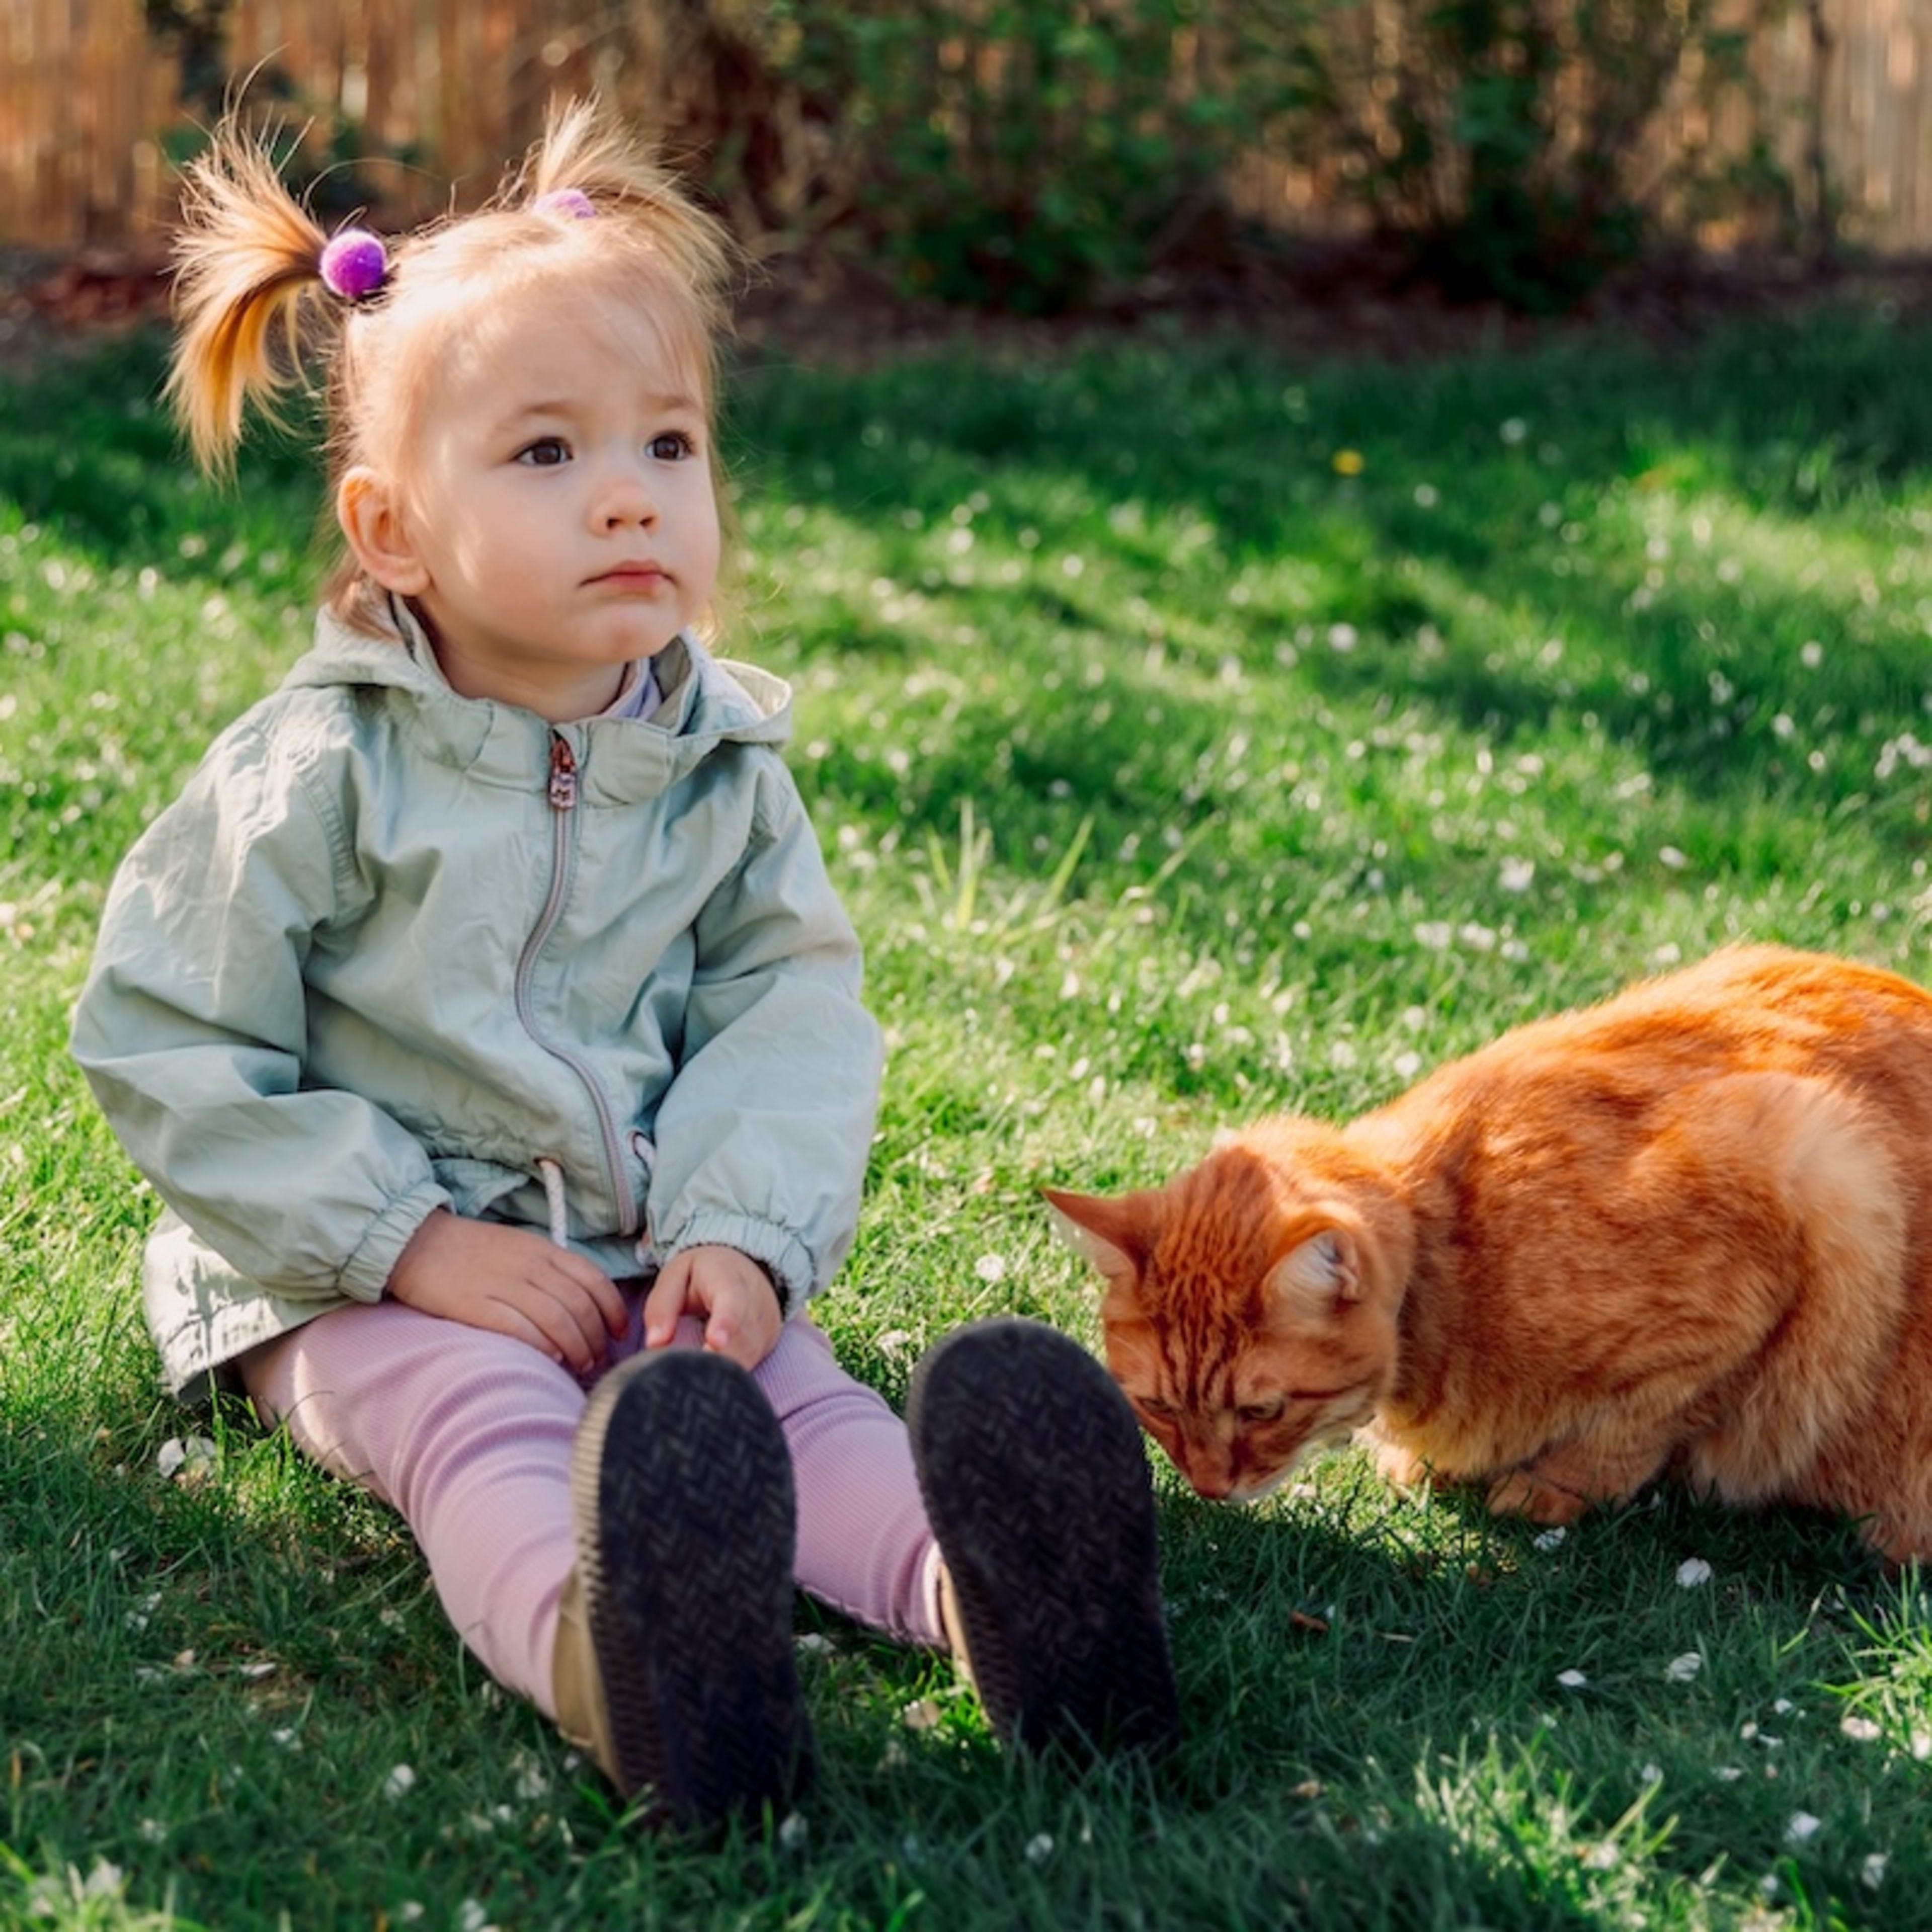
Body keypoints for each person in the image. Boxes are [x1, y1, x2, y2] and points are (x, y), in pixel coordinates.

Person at [69, 101, 1178, 1830]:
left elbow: (788, 1008)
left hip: (643, 1238)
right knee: (487, 1442)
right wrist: (404, 1242)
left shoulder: (721, 765)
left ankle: (1003, 1614)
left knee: (793, 1403)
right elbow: (165, 1039)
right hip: (359, 1279)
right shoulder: (319, 775)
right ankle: (631, 1659)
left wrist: (740, 1229)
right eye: (545, 457)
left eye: (668, 446)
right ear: (392, 531)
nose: (627, 501)